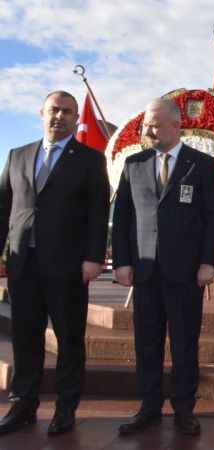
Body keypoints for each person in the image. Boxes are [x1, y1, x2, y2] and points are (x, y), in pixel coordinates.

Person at [0, 91, 110, 435]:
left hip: (68, 266)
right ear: (41, 112)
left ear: (76, 118)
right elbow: (3, 208)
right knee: (25, 336)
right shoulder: (17, 155)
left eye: (67, 111)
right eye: (53, 110)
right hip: (23, 264)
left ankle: (65, 409)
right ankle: (23, 404)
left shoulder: (90, 160)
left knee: (69, 339)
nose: (59, 116)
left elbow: (98, 212)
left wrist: (94, 257)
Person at [111, 98, 214, 436]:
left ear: (176, 124)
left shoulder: (201, 165)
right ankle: (149, 406)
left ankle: (185, 409)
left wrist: (207, 262)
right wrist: (123, 262)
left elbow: (212, 218)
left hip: (187, 273)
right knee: (147, 342)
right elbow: (123, 218)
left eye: (154, 124)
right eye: (146, 124)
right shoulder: (134, 164)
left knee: (185, 342)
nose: (147, 130)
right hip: (145, 272)